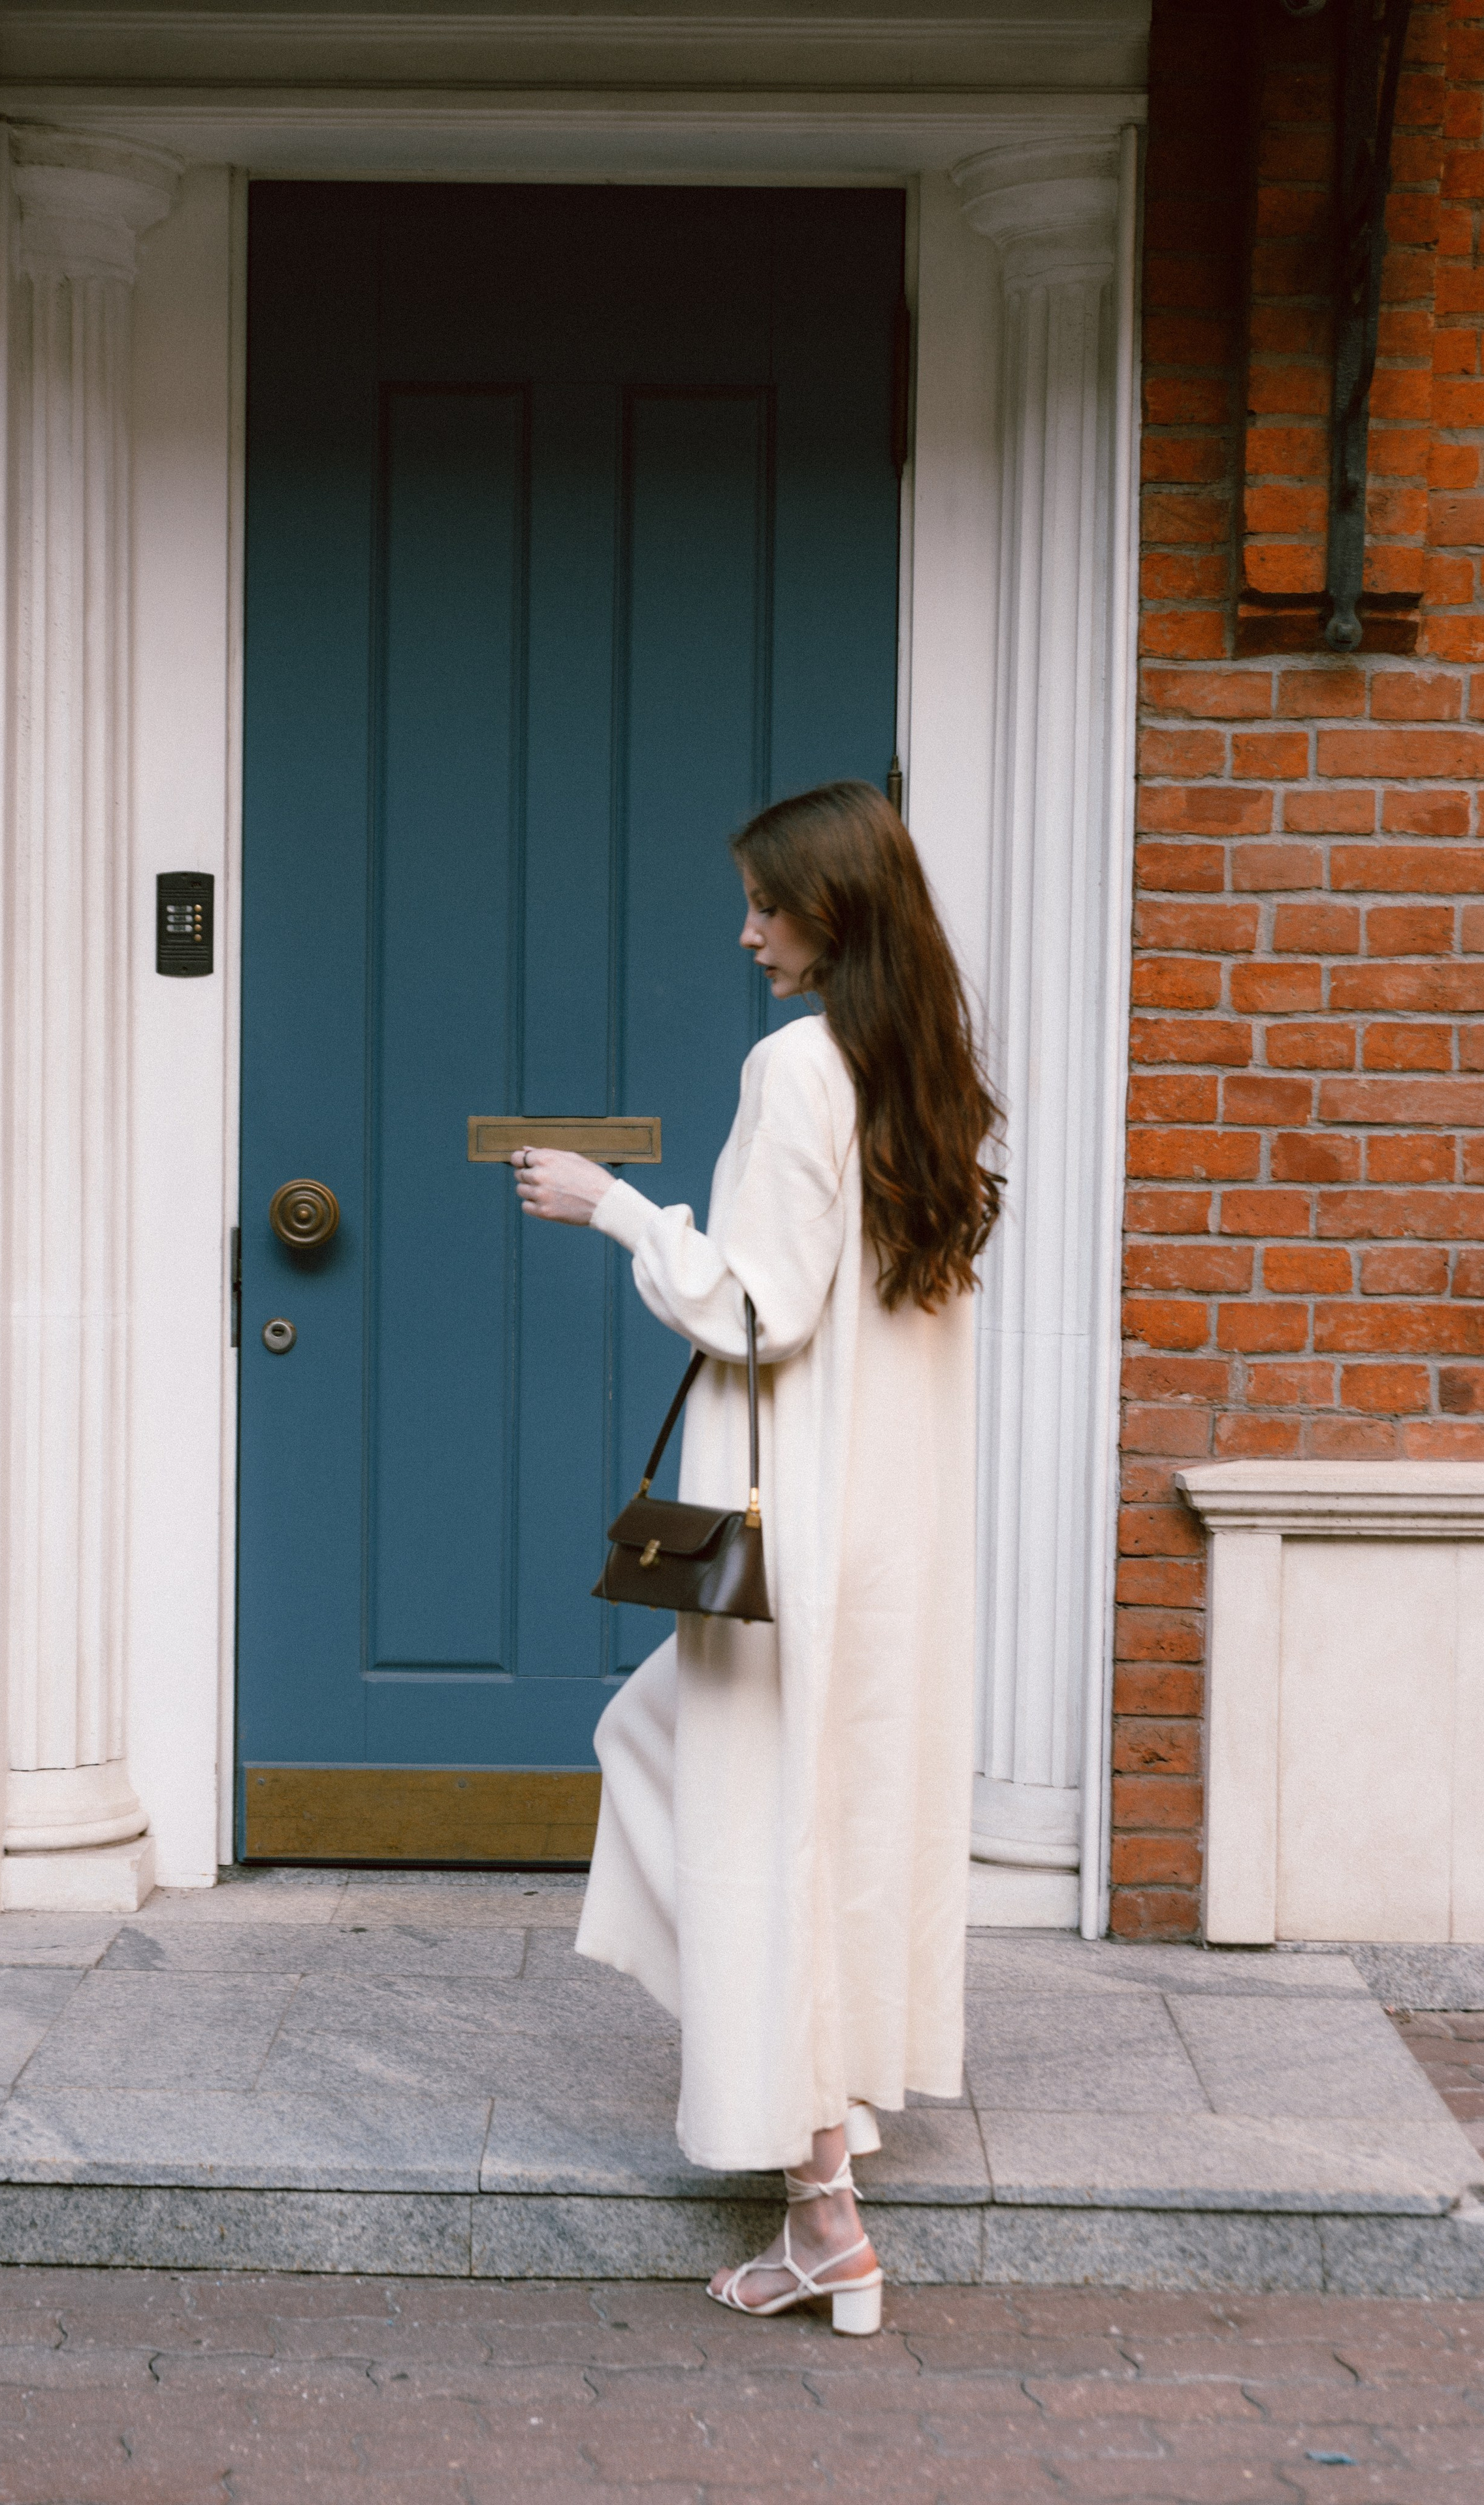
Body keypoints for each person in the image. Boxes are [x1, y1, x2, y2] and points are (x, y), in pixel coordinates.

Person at [512, 779, 1000, 2335]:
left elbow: (756, 1308)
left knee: (743, 1817)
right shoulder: (923, 1073)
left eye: (763, 905)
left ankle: (821, 2210)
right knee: (793, 1814)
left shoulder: (796, 1066)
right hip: (883, 1530)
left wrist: (612, 1210)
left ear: (828, 915)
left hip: (784, 1525)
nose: (743, 931)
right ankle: (818, 2145)